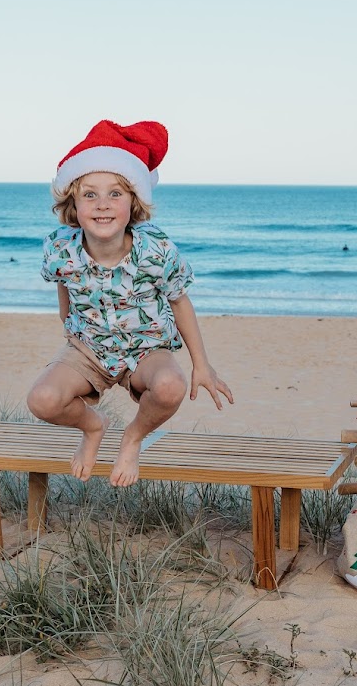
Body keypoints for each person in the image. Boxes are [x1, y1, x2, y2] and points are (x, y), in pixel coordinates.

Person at [26, 119, 233, 487]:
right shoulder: (58, 248)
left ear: (134, 202)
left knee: (170, 387)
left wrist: (202, 364)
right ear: (72, 202)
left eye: (116, 194)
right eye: (90, 194)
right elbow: (63, 285)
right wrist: (68, 323)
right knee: (42, 400)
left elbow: (179, 302)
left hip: (145, 349)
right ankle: (94, 427)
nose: (102, 205)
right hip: (88, 348)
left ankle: (132, 437)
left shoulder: (156, 250)